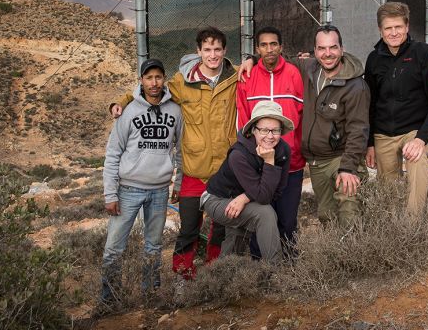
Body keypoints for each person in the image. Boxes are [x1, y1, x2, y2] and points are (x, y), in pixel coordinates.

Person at [109, 27, 239, 279]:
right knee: (189, 228)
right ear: (198, 51)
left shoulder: (235, 78)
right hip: (193, 170)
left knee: (220, 229)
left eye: (217, 49)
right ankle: (183, 275)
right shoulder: (182, 82)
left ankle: (214, 273)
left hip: (225, 171)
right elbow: (153, 90)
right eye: (207, 50)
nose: (212, 55)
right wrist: (123, 100)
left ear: (225, 51)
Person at [101, 59, 183, 305]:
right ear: (141, 81)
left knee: (154, 246)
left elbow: (180, 150)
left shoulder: (175, 111)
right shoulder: (128, 111)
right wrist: (110, 194)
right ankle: (109, 298)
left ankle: (150, 294)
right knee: (114, 247)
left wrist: (177, 183)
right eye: (149, 78)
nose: (154, 82)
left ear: (164, 79)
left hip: (159, 190)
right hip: (128, 189)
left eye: (158, 77)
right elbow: (113, 152)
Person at [364, 1, 428, 216]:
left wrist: (421, 138)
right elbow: (370, 103)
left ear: (407, 26)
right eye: (388, 28)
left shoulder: (426, 54)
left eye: (398, 27)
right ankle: (392, 233)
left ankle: (412, 228)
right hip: (383, 133)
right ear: (380, 30)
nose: (393, 33)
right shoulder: (374, 60)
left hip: (414, 130)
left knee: (417, 163)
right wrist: (370, 143)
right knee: (388, 192)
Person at [234, 26, 304, 256]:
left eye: (274, 44)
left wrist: (299, 149)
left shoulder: (294, 73)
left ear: (281, 47)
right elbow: (244, 118)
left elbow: (302, 113)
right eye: (264, 45)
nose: (269, 49)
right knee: (263, 218)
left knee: (287, 219)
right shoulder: (248, 75)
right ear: (257, 49)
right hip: (260, 165)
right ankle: (259, 267)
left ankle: (291, 266)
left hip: (290, 163)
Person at [296, 25, 370, 228]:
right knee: (327, 216)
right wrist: (252, 59)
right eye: (322, 48)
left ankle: (358, 257)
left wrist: (348, 168)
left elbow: (358, 129)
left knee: (349, 213)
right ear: (314, 50)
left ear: (342, 49)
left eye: (333, 48)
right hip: (316, 162)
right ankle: (334, 259)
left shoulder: (355, 87)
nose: (328, 54)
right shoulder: (308, 69)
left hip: (341, 158)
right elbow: (278, 60)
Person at [201, 100, 292, 263]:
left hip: (241, 199)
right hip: (217, 199)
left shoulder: (283, 151)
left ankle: (224, 274)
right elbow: (263, 198)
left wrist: (244, 198)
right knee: (265, 213)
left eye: (275, 130)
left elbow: (276, 191)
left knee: (237, 240)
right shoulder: (239, 154)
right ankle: (275, 270)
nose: (270, 136)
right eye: (264, 130)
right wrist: (269, 163)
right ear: (253, 130)